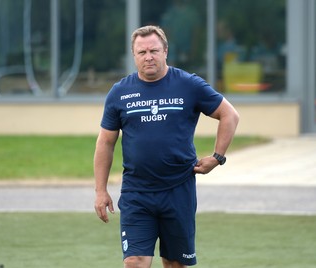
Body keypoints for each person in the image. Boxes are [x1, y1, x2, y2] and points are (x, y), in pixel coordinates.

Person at [94, 25, 239, 268]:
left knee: (174, 264)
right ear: (134, 55)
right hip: (136, 193)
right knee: (134, 261)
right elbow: (105, 142)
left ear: (165, 51)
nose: (148, 57)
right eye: (142, 52)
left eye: (154, 50)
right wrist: (100, 190)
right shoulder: (120, 92)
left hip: (178, 190)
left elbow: (230, 115)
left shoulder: (188, 85)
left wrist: (217, 157)